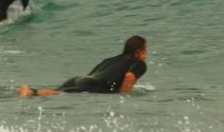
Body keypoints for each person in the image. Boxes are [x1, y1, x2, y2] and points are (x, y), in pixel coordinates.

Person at [18, 36, 149, 97]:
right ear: (138, 52)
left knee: (56, 92)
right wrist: (124, 96)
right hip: (92, 85)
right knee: (57, 94)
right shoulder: (139, 63)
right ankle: (30, 91)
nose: (146, 55)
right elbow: (130, 76)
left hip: (80, 79)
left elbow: (92, 73)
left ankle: (32, 91)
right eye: (145, 51)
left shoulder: (109, 60)